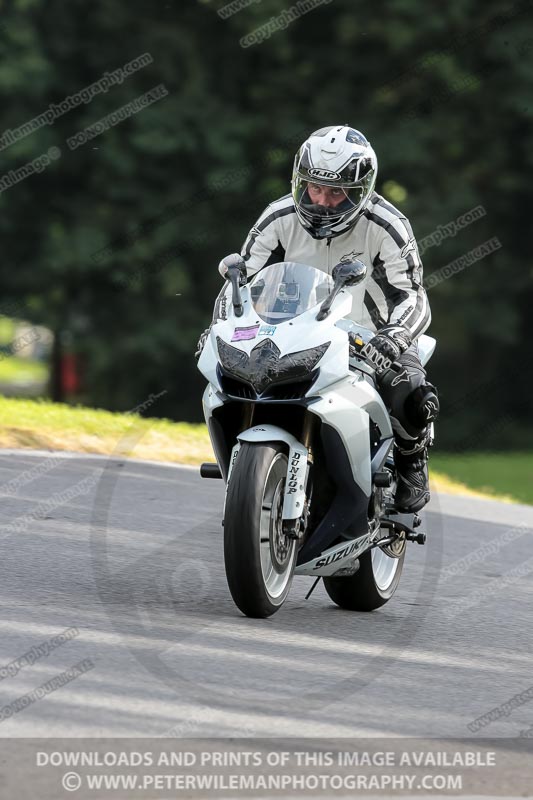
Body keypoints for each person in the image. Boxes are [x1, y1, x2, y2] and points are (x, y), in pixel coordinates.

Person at [200, 125, 439, 513]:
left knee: (410, 388)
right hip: (293, 332)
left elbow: (412, 294)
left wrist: (394, 337)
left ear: (361, 191)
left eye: (336, 192)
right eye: (314, 188)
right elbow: (239, 284)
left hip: (369, 337)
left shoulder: (388, 225)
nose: (323, 201)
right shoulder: (277, 217)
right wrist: (220, 328)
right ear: (300, 181)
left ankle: (413, 463)